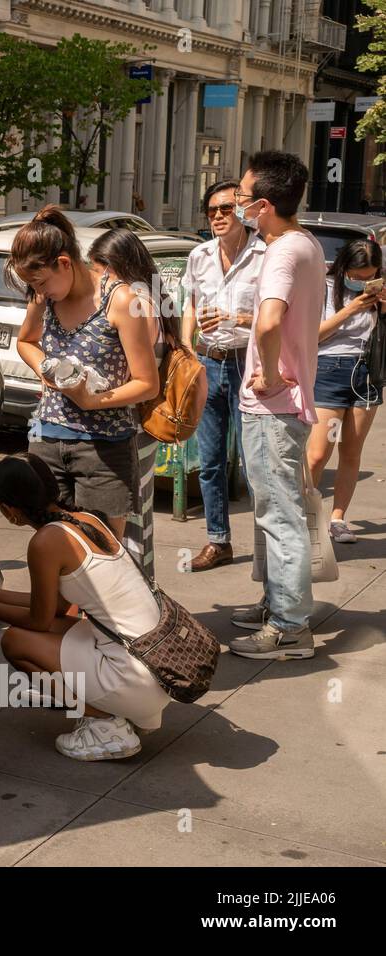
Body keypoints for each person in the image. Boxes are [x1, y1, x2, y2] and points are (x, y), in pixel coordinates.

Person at [0, 455, 170, 760]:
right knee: (51, 630)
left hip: (136, 677)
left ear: (8, 510)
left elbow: (39, 620)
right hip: (156, 670)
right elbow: (54, 608)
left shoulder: (46, 542)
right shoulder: (87, 521)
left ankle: (107, 725)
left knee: (15, 641)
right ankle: (123, 711)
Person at [12, 206, 160, 541]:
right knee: (52, 550)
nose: (39, 291)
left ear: (64, 263)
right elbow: (26, 341)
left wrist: (92, 401)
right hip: (46, 441)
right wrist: (45, 369)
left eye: (40, 281)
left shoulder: (120, 300)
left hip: (103, 450)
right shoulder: (42, 297)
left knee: (102, 554)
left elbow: (147, 384)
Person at [228, 151, 324, 659]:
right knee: (275, 511)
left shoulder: (283, 251)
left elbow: (270, 322)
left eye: (241, 198)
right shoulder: (306, 244)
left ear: (263, 205)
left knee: (279, 515)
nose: (237, 205)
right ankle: (278, 603)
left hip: (274, 406)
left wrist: (264, 373)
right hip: (290, 401)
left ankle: (290, 626)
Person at [181, 181, 266, 571]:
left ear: (244, 212)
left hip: (249, 363)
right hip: (208, 363)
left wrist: (235, 318)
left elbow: (279, 315)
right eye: (211, 209)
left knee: (254, 464)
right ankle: (218, 541)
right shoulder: (199, 256)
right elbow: (190, 306)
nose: (217, 215)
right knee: (211, 460)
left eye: (226, 208)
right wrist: (185, 354)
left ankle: (266, 548)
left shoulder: (266, 254)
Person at [87, 227, 180, 581]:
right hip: (145, 420)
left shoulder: (134, 304)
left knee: (126, 514)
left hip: (129, 421)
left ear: (115, 267)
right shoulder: (157, 298)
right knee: (139, 510)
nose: (97, 281)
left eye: (99, 271)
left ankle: (137, 598)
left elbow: (136, 374)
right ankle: (146, 592)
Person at [305, 238, 384, 543]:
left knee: (351, 450)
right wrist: (352, 308)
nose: (363, 283)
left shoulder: (378, 293)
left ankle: (338, 519)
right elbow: (315, 335)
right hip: (329, 370)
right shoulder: (325, 288)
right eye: (357, 276)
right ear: (343, 269)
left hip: (366, 373)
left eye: (370, 277)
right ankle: (305, 517)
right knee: (317, 454)